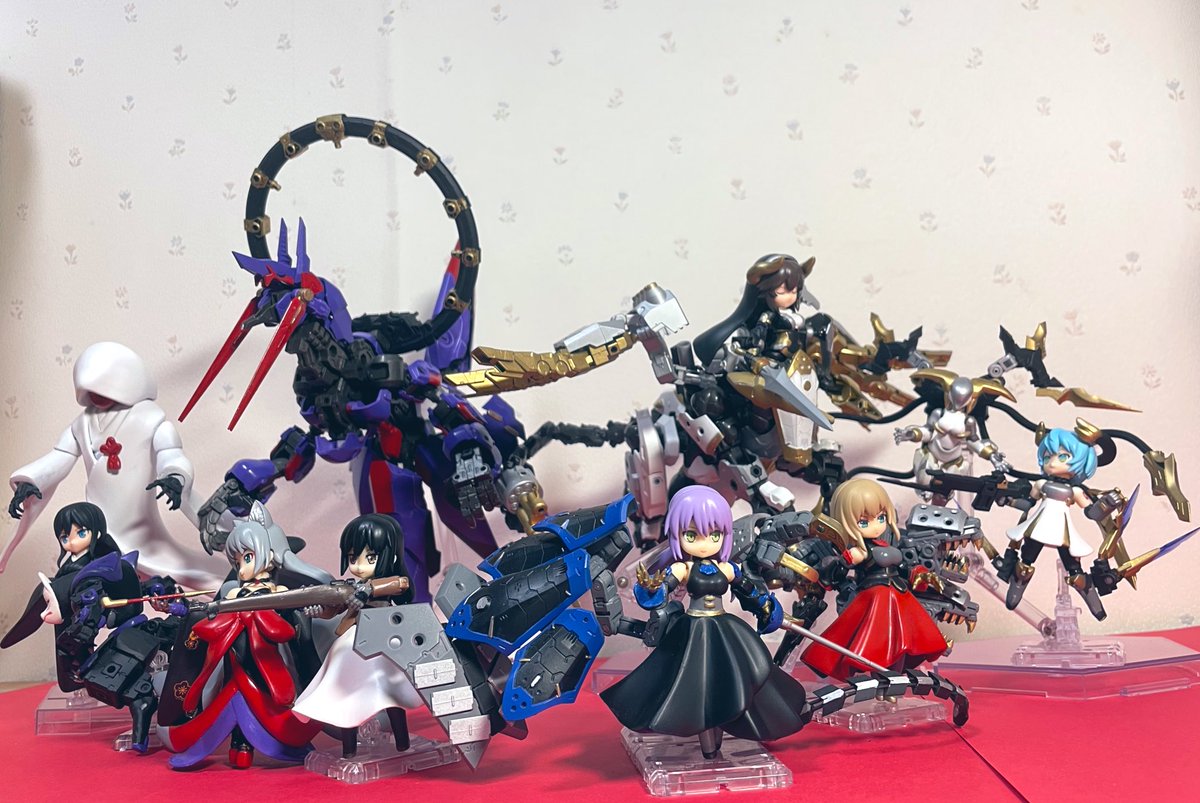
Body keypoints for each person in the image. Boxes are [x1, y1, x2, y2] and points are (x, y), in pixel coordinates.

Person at [600, 486, 806, 759]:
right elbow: (658, 593)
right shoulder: (681, 568)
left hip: (723, 628)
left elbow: (749, 591)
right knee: (698, 685)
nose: (704, 543)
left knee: (735, 678)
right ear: (677, 535)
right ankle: (707, 743)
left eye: (714, 534)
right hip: (693, 630)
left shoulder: (727, 568)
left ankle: (727, 728)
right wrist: (651, 589)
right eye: (691, 535)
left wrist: (766, 607)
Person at [293, 514, 420, 758]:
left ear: (390, 556)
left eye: (370, 557)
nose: (360, 565)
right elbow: (333, 610)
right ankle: (349, 751)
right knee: (344, 696)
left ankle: (403, 743)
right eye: (353, 558)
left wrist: (368, 590)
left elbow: (400, 583)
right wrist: (316, 610)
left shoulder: (384, 583)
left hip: (383, 641)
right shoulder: (350, 587)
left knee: (392, 696)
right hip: (352, 645)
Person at [800, 478, 949, 680]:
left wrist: (920, 573)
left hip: (898, 595)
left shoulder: (886, 543)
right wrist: (845, 561)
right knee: (877, 643)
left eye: (881, 517)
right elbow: (832, 576)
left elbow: (901, 567)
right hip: (876, 598)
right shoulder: (860, 552)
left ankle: (894, 679)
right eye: (864, 522)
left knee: (903, 640)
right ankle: (883, 679)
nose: (877, 525)